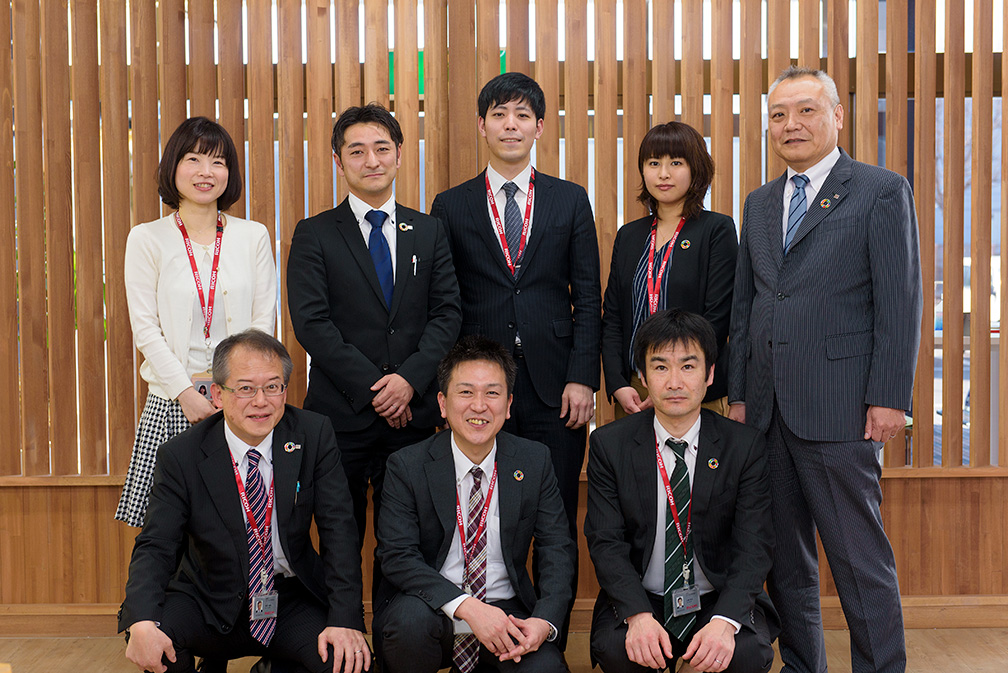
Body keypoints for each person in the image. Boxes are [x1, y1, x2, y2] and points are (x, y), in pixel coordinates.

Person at [728, 66, 922, 673]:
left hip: (841, 406)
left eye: (806, 110)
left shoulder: (879, 191)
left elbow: (900, 302)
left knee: (859, 562)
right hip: (766, 410)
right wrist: (739, 395)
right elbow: (746, 306)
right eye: (779, 114)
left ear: (838, 116)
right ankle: (802, 666)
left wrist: (889, 396)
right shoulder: (759, 203)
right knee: (786, 563)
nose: (792, 124)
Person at [430, 71, 601, 583]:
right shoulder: (451, 204)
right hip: (481, 386)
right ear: (482, 125)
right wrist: (451, 386)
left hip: (555, 385)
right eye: (499, 114)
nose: (511, 125)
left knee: (556, 519)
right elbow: (444, 304)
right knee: (482, 511)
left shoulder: (570, 199)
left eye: (522, 115)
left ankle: (547, 625)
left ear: (539, 127)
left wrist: (582, 377)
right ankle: (484, 615)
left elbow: (587, 296)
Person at [287, 103, 462, 599]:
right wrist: (378, 389)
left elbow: (447, 314)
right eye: (357, 151)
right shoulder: (315, 233)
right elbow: (312, 324)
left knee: (405, 536)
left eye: (382, 148)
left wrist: (408, 381)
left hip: (413, 413)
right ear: (338, 161)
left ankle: (394, 632)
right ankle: (341, 624)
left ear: (399, 154)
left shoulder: (428, 230)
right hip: (340, 414)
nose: (371, 160)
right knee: (339, 533)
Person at [118, 329, 369, 673]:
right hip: (207, 597)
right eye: (246, 388)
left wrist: (344, 620)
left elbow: (339, 532)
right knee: (157, 646)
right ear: (218, 395)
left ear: (284, 391)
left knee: (349, 664)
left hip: (288, 598)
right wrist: (142, 621)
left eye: (272, 387)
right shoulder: (181, 454)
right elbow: (156, 545)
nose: (261, 401)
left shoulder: (313, 434)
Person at [586, 309, 778, 673]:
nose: (674, 382)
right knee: (618, 650)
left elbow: (755, 545)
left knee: (745, 654)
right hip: (644, 597)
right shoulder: (610, 445)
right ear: (643, 376)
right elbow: (605, 541)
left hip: (715, 597)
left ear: (710, 374)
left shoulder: (743, 446)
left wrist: (725, 621)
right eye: (660, 367)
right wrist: (637, 615)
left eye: (688, 366)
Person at [373, 335, 575, 673]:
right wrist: (467, 606)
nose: (479, 406)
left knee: (546, 668)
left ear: (508, 405)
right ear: (442, 403)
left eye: (492, 393)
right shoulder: (407, 465)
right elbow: (397, 555)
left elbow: (557, 549)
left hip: (506, 613)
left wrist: (543, 621)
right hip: (433, 608)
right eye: (466, 392)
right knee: (409, 624)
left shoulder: (534, 460)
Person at [116, 116, 276, 528]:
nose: (206, 172)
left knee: (236, 524)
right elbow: (145, 329)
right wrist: (186, 393)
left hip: (240, 401)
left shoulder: (253, 236)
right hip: (173, 401)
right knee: (165, 528)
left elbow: (263, 323)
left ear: (229, 173)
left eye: (218, 162)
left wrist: (239, 390)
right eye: (194, 159)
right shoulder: (147, 238)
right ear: (173, 167)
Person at [602, 121, 737, 419]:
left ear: (696, 169)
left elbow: (718, 319)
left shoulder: (716, 230)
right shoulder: (629, 236)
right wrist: (617, 384)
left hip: (692, 388)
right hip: (634, 391)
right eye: (654, 163)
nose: (663, 173)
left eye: (676, 163)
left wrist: (669, 380)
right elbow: (612, 318)